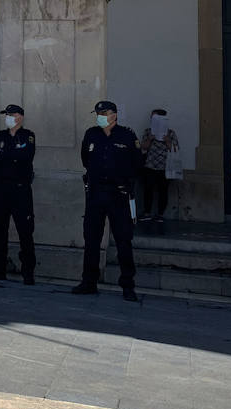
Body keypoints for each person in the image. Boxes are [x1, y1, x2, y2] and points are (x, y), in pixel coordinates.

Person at [74, 100, 144, 301]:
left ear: (114, 114)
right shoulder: (91, 134)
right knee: (91, 239)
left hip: (119, 194)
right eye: (98, 113)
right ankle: (89, 281)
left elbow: (137, 164)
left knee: (123, 240)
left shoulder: (127, 135)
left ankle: (128, 285)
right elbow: (85, 160)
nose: (100, 116)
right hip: (96, 193)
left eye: (104, 112)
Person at [0, 104, 36, 285]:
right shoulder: (0, 136)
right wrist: (9, 154)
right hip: (2, 189)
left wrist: (4, 153)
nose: (8, 118)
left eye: (11, 115)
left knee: (25, 232)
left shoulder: (28, 136)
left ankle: (28, 271)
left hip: (20, 190)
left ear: (19, 117)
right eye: (6, 115)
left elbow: (25, 156)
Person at [139, 108, 178, 226]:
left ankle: (160, 214)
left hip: (165, 167)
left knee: (163, 191)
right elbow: (143, 148)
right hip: (150, 165)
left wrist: (167, 141)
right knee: (148, 190)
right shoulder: (148, 132)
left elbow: (175, 149)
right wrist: (150, 138)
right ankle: (147, 213)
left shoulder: (171, 133)